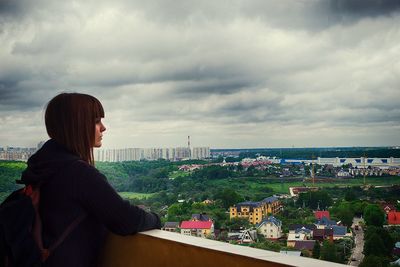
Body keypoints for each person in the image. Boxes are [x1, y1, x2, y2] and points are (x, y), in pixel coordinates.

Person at [20, 92, 161, 267]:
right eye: (96, 121)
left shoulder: (41, 166)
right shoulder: (78, 174)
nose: (103, 128)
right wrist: (156, 218)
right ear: (77, 125)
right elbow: (126, 220)